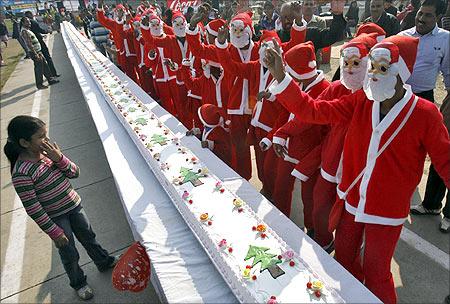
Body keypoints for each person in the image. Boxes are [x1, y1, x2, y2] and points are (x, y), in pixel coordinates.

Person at [265, 34, 449, 304]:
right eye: (372, 66)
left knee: (377, 273)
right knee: (345, 260)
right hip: (352, 200)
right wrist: (282, 78)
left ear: (402, 72)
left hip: (386, 213)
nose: (373, 74)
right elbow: (313, 110)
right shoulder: (361, 101)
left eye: (382, 68)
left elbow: (445, 162)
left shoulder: (425, 113)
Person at [4, 116, 119, 301]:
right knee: (69, 253)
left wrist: (59, 158)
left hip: (74, 206)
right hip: (57, 219)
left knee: (89, 237)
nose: (46, 140)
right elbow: (33, 208)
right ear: (24, 142)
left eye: (46, 134)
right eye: (41, 137)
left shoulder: (50, 155)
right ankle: (79, 283)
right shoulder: (22, 173)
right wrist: (54, 232)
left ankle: (103, 261)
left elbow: (74, 173)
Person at [399, 0, 450, 232]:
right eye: (420, 13)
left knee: (427, 150)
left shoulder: (445, 40)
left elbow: (448, 72)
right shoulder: (402, 36)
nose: (421, 18)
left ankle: (429, 202)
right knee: (399, 146)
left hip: (425, 99)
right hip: (399, 100)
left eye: (428, 15)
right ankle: (400, 187)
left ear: (437, 18)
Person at [20, 17, 59, 89]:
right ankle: (39, 84)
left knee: (45, 66)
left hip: (38, 51)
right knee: (39, 69)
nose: (29, 23)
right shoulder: (24, 31)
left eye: (29, 22)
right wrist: (35, 53)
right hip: (35, 52)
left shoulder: (28, 30)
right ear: (23, 23)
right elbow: (29, 44)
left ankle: (50, 80)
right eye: (27, 22)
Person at [24, 11, 60, 78]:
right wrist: (47, 31)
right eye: (32, 14)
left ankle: (49, 76)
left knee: (40, 62)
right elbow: (40, 30)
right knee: (47, 58)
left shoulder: (24, 26)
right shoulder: (32, 22)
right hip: (39, 43)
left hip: (34, 44)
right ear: (30, 15)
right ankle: (53, 73)